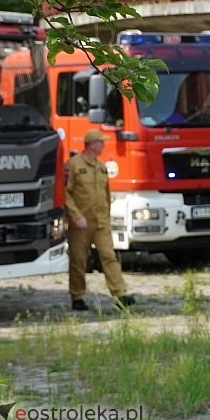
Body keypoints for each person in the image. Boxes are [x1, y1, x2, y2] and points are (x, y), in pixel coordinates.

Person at [65, 129, 135, 311]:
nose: (103, 145)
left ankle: (120, 294)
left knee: (109, 257)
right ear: (91, 144)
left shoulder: (101, 166)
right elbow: (65, 193)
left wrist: (107, 217)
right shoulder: (73, 165)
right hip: (81, 223)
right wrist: (76, 216)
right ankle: (77, 296)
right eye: (101, 142)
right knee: (79, 260)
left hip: (100, 222)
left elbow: (105, 195)